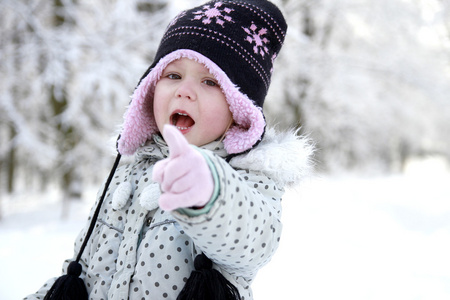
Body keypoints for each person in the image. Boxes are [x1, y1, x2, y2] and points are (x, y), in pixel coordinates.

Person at [25, 0, 313, 299]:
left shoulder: (246, 177)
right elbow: (81, 270)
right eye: (173, 75)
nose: (183, 90)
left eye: (210, 82)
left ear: (239, 109)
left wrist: (211, 191)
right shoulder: (127, 172)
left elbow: (254, 241)